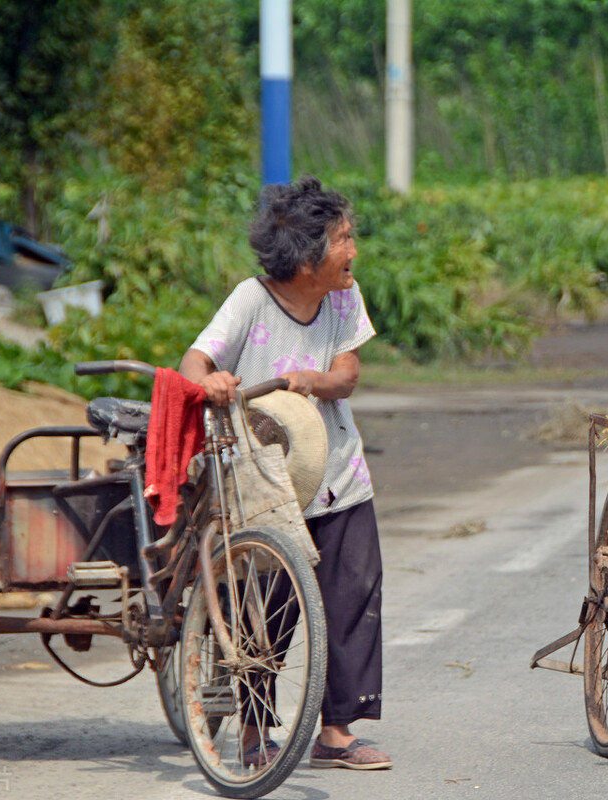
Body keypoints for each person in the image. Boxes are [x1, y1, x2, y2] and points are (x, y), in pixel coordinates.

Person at [180, 174, 392, 771]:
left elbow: (346, 375)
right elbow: (196, 360)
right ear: (306, 257)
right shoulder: (251, 300)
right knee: (265, 606)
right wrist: (212, 380)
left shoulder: (344, 297)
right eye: (344, 238)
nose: (354, 250)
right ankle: (253, 733)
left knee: (352, 594)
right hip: (267, 482)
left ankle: (337, 731)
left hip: (338, 472)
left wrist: (311, 381)